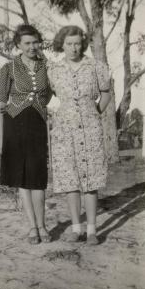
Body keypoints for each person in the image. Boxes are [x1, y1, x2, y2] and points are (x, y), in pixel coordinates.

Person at [47, 25, 111, 245]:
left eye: (77, 43)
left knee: (90, 180)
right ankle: (76, 228)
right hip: (64, 131)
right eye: (69, 44)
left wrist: (93, 113)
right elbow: (51, 97)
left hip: (90, 129)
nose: (74, 48)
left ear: (82, 44)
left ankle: (92, 231)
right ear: (62, 45)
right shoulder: (53, 70)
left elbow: (105, 94)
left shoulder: (96, 66)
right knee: (71, 181)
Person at [0, 24, 53, 244]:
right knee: (22, 178)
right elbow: (1, 103)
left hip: (38, 124)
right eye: (27, 43)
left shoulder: (46, 66)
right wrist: (0, 138)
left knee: (38, 178)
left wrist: (39, 105)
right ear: (18, 45)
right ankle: (32, 227)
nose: (32, 47)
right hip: (14, 125)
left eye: (35, 42)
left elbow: (48, 95)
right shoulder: (8, 68)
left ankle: (43, 225)